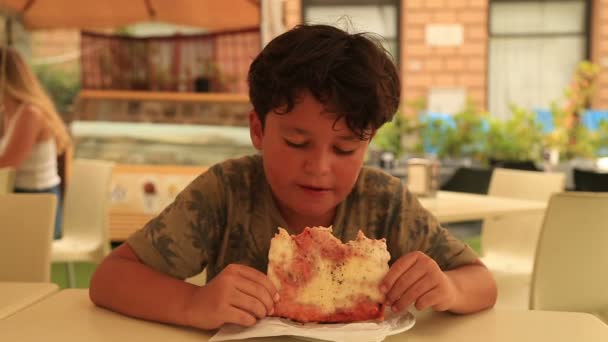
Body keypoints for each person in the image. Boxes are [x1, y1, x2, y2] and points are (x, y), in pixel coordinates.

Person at [89, 24, 497, 330]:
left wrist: (448, 287)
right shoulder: (226, 193)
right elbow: (110, 278)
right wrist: (194, 304)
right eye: (298, 143)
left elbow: (481, 281)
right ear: (258, 130)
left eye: (344, 149)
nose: (319, 167)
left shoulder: (386, 202)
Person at [0, 47, 71, 239]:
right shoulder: (7, 112)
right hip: (17, 198)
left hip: (37, 204)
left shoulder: (30, 114)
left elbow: (7, 164)